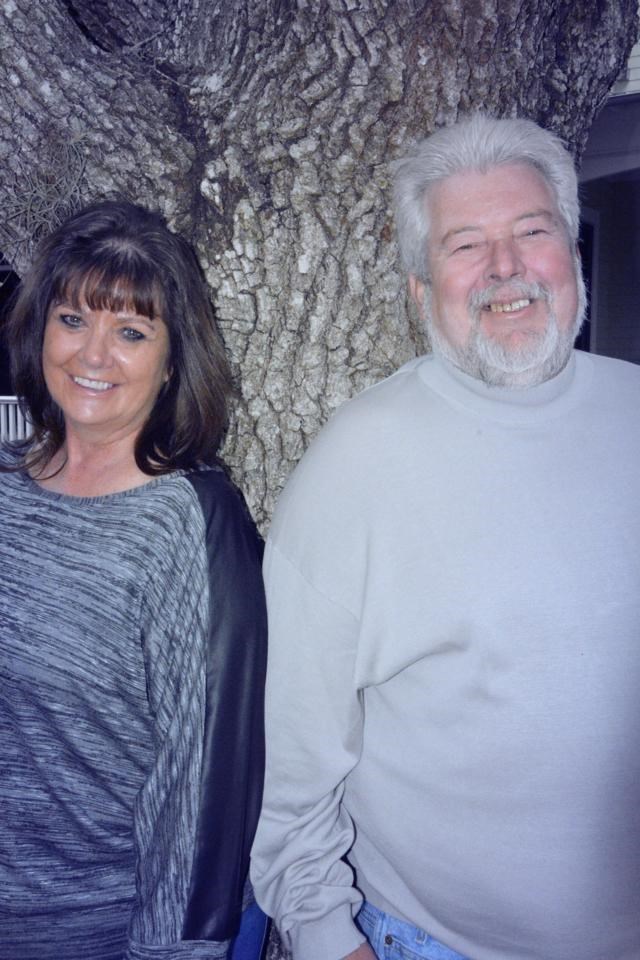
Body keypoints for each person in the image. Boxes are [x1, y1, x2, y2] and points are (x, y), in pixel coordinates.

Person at [250, 115, 640, 960]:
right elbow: (289, 755)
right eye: (466, 245)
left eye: (531, 232)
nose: (505, 267)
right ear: (421, 291)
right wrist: (326, 938)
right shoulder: (355, 468)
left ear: (572, 258)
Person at [0, 200, 268, 960]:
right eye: (72, 319)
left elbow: (202, 786)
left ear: (173, 360)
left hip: (97, 930)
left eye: (131, 332)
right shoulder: (6, 484)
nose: (92, 355)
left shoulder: (189, 525)